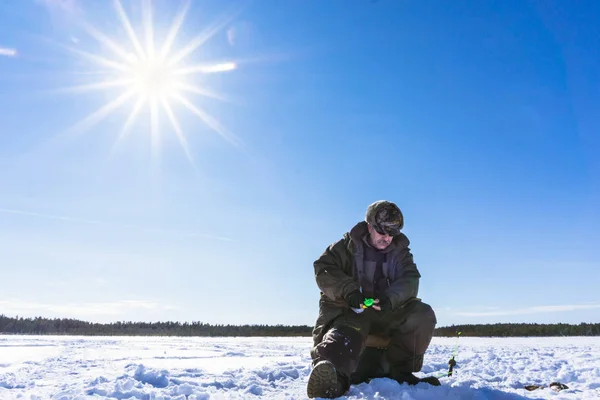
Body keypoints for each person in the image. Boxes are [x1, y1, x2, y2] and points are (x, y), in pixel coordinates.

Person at [307, 200, 440, 398]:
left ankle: (400, 372)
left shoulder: (401, 254)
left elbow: (410, 279)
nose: (387, 238)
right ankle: (334, 379)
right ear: (369, 226)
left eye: (392, 233)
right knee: (348, 329)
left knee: (421, 314)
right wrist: (349, 291)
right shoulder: (344, 247)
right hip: (348, 315)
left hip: (383, 315)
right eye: (382, 231)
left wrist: (390, 299)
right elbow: (323, 269)